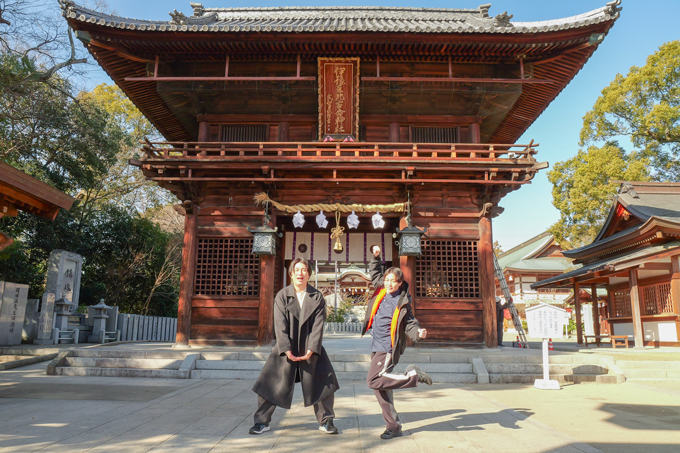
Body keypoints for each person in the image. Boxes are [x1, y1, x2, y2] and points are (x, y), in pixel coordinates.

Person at [250, 258, 340, 435]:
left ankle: (326, 420)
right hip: (286, 348)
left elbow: (318, 326)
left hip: (310, 347)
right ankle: (262, 422)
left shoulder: (317, 296)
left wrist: (312, 349)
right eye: (297, 270)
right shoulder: (282, 295)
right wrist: (286, 348)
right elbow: (280, 325)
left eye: (304, 270)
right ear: (291, 273)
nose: (300, 273)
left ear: (309, 274)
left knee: (324, 382)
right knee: (270, 383)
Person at [361, 245, 431, 440]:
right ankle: (393, 426)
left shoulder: (402, 303)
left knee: (373, 380)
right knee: (380, 388)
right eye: (387, 279)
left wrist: (418, 332)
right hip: (376, 345)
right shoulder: (381, 290)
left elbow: (410, 323)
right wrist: (376, 257)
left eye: (393, 281)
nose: (389, 283)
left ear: (400, 283)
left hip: (387, 346)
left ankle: (413, 376)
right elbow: (375, 273)